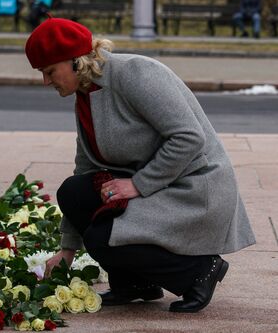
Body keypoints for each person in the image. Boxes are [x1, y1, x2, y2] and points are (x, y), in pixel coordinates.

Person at [24, 18, 256, 313]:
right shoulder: (86, 95)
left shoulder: (135, 73)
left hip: (195, 189)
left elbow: (188, 138)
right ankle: (134, 284)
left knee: (102, 237)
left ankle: (200, 270)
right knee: (73, 192)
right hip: (160, 185)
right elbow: (84, 169)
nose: (46, 82)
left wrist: (137, 184)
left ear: (75, 61)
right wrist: (67, 249)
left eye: (49, 71)